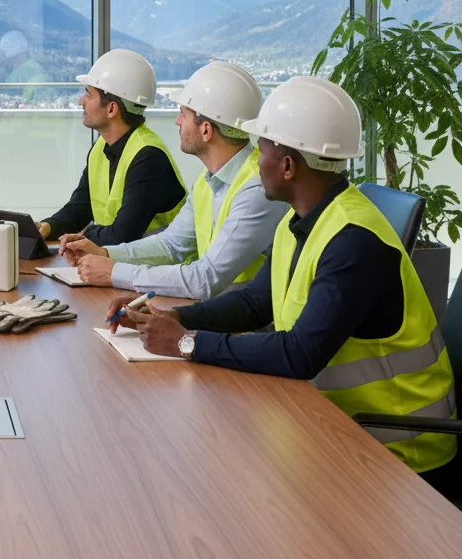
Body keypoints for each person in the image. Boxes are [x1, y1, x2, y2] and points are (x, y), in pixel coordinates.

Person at [118, 76, 457, 479]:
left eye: (260, 151)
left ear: (288, 165)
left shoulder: (353, 242)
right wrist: (177, 319)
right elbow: (256, 301)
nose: (254, 162)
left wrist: (188, 344)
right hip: (331, 422)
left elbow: (300, 354)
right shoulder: (300, 221)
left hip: (397, 449)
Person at [58, 62, 287, 298]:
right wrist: (104, 254)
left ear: (206, 130)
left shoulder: (257, 189)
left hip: (245, 328)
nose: (177, 121)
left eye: (183, 114)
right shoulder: (208, 179)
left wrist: (114, 272)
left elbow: (206, 278)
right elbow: (171, 245)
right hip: (212, 314)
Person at [36, 49, 186, 247]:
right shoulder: (101, 147)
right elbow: (80, 208)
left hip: (155, 273)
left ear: (112, 109)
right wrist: (49, 226)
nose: (81, 101)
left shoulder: (149, 158)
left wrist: (83, 236)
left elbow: (123, 235)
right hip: (118, 267)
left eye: (88, 95)